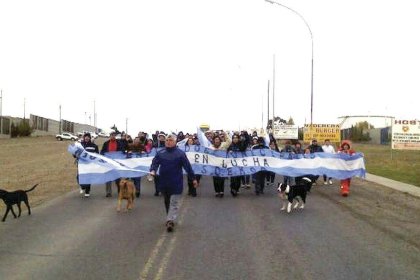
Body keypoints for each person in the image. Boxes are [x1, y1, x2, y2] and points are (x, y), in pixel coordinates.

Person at [149, 134, 197, 232]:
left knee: (174, 202)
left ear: (175, 142)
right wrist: (153, 170)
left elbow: (187, 167)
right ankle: (169, 217)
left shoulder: (180, 153)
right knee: (167, 201)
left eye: (170, 140)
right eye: (167, 140)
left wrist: (193, 179)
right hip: (164, 182)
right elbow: (155, 163)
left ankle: (170, 220)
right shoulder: (160, 152)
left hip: (176, 182)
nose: (168, 142)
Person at [101, 131, 127, 197]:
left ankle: (120, 191)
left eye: (114, 135)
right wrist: (104, 155)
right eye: (111, 135)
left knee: (118, 178)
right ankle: (108, 192)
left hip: (116, 163)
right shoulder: (106, 143)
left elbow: (122, 151)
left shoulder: (119, 143)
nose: (112, 136)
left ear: (115, 136)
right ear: (110, 136)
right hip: (108, 163)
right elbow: (102, 152)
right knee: (108, 178)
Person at [77, 132, 99, 197]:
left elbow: (97, 155)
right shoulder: (80, 145)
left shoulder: (94, 146)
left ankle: (87, 191)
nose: (86, 137)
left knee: (88, 178)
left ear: (90, 138)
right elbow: (75, 153)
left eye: (88, 136)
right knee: (79, 177)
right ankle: (82, 186)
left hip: (89, 164)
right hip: (81, 164)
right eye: (85, 136)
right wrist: (75, 155)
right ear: (84, 137)